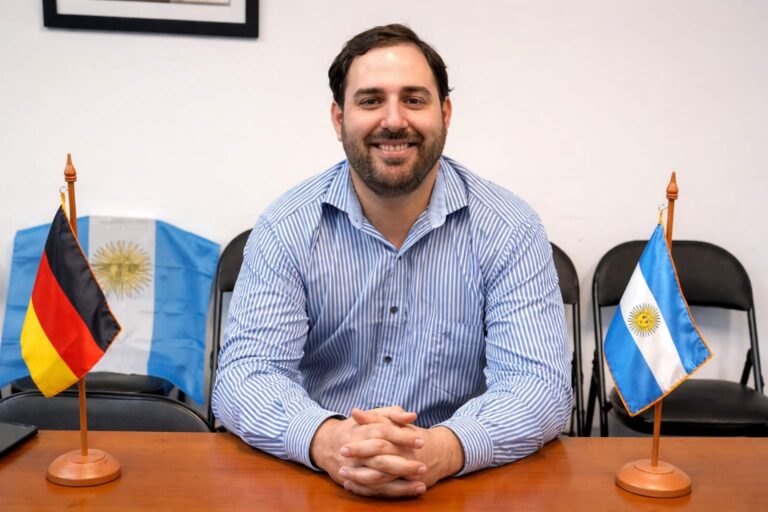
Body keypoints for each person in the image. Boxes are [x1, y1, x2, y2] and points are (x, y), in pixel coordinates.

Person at [212, 24, 572, 498]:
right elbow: (245, 377)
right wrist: (329, 441)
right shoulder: (287, 226)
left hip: (459, 485)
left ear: (445, 113)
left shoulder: (510, 228)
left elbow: (539, 385)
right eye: (370, 100)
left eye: (414, 99)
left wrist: (444, 448)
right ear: (338, 119)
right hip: (318, 481)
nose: (394, 120)